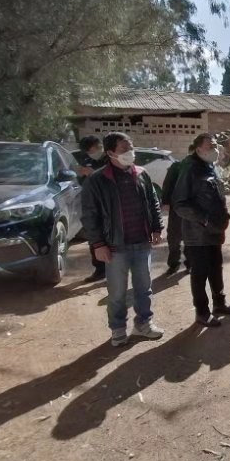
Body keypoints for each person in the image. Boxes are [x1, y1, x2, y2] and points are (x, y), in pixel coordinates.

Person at [81, 132, 165, 347]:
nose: (130, 152)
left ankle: (143, 323)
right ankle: (118, 329)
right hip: (115, 246)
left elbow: (153, 202)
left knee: (144, 288)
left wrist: (156, 227)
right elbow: (89, 215)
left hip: (142, 243)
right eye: (124, 150)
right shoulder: (97, 180)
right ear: (110, 153)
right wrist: (98, 244)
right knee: (117, 292)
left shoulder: (142, 174)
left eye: (131, 147)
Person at [173, 133, 230, 327]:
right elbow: (180, 204)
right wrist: (203, 220)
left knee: (216, 269)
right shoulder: (190, 169)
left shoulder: (211, 167)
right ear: (198, 149)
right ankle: (202, 312)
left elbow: (217, 196)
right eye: (210, 146)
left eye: (215, 145)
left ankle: (219, 304)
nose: (215, 149)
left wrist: (224, 215)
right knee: (200, 273)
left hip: (214, 231)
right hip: (198, 234)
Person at [75, 135, 108, 282]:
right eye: (88, 151)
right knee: (94, 238)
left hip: (109, 204)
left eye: (92, 149)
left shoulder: (110, 159)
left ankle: (115, 271)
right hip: (92, 205)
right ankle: (100, 270)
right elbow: (82, 181)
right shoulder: (87, 160)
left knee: (113, 238)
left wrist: (93, 173)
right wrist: (81, 174)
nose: (91, 153)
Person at [161, 144, 194, 275]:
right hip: (177, 208)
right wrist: (166, 202)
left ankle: (190, 263)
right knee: (174, 237)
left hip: (194, 209)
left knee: (191, 237)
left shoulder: (203, 167)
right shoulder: (177, 166)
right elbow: (167, 184)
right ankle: (174, 263)